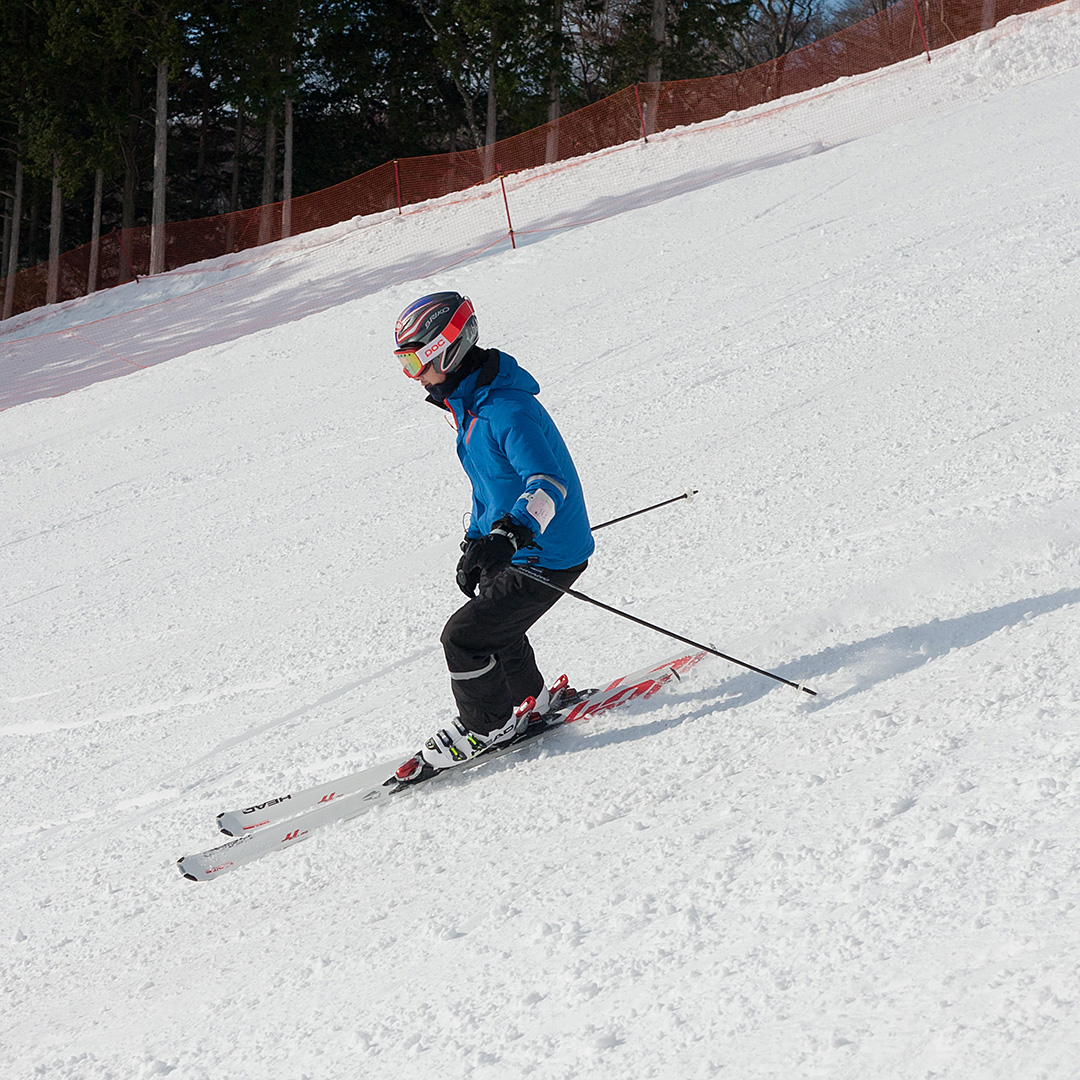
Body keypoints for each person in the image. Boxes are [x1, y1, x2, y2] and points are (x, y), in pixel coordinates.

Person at [393, 291, 594, 773]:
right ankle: (529, 701)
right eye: (405, 363)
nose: (414, 374)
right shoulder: (469, 408)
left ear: (448, 348)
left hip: (547, 552)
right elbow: (492, 485)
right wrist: (480, 539)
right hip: (519, 547)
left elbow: (547, 483)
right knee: (494, 620)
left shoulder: (505, 410)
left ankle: (485, 726)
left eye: (416, 360)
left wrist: (510, 534)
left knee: (463, 638)